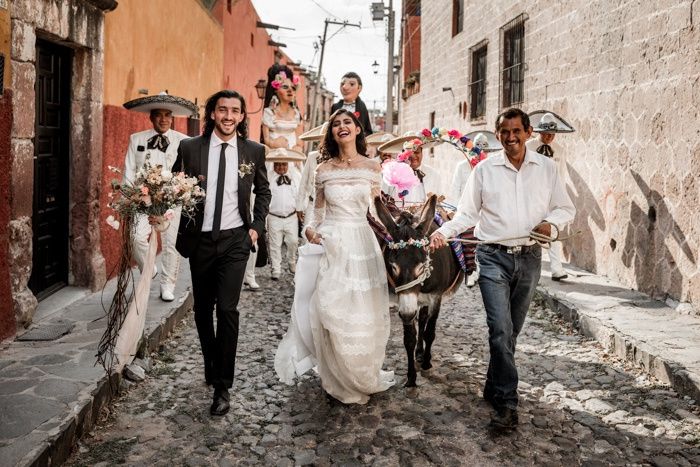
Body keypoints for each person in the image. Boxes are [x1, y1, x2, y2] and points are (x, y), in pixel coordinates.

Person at [429, 108, 575, 429]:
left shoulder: (547, 168)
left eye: (516, 131)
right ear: (498, 135)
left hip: (530, 257)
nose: (510, 138)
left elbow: (566, 207)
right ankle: (507, 403)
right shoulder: (483, 170)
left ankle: (493, 384)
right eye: (504, 132)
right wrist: (442, 233)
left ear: (528, 133)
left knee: (512, 332)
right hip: (492, 256)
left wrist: (551, 223)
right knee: (500, 328)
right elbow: (466, 214)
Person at [275, 109, 395, 404]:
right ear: (332, 133)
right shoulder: (323, 170)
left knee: (362, 310)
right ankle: (337, 375)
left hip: (361, 244)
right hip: (331, 243)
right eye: (336, 124)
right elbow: (315, 215)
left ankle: (362, 372)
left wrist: (402, 229)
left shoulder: (372, 167)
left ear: (357, 130)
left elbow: (379, 212)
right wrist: (311, 234)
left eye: (348, 123)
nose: (342, 127)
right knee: (329, 308)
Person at [172, 90, 271, 416]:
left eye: (235, 111)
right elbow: (173, 186)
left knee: (227, 310)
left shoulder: (254, 151)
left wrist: (255, 227)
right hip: (199, 240)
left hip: (235, 241)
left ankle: (222, 386)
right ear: (212, 113)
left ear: (242, 117)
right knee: (203, 311)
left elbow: (263, 191)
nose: (228, 116)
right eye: (222, 110)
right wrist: (161, 206)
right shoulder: (190, 148)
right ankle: (210, 362)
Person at [123, 95, 191, 301]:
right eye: (159, 115)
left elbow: (186, 172)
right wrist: (129, 196)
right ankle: (149, 268)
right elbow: (129, 169)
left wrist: (182, 192)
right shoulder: (137, 139)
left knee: (171, 243)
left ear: (172, 118)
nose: (163, 120)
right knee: (136, 237)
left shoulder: (184, 141)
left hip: (171, 199)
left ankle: (167, 285)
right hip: (144, 199)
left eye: (167, 115)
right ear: (151, 118)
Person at [526, 111, 575, 281]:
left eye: (552, 134)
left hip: (550, 195)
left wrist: (559, 196)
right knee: (530, 231)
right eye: (546, 134)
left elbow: (561, 175)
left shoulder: (560, 151)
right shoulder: (528, 147)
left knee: (552, 229)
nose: (549, 137)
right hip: (531, 195)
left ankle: (556, 269)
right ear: (539, 132)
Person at [266, 149, 304, 280]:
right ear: (274, 164)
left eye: (284, 164)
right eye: (278, 164)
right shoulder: (268, 177)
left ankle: (292, 261)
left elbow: (300, 194)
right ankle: (275, 268)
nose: (281, 167)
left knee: (293, 241)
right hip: (273, 216)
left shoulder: (295, 177)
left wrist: (300, 209)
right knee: (274, 244)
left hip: (291, 216)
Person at [261, 68, 304, 155]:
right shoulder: (269, 113)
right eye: (285, 87)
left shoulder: (296, 114)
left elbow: (300, 139)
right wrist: (273, 143)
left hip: (293, 157)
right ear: (276, 90)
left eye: (293, 87)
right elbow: (266, 140)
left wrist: (298, 147)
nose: (290, 90)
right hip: (275, 156)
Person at [330, 72, 373, 136]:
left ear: (359, 88)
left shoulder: (361, 106)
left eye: (352, 84)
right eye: (342, 84)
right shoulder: (335, 107)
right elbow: (331, 128)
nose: (345, 87)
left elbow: (367, 130)